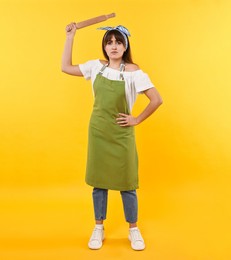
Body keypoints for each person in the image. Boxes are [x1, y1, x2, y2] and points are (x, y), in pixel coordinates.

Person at [61, 22, 163, 251]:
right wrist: (70, 37)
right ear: (104, 47)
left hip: (121, 135)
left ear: (126, 45)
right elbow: (65, 67)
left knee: (127, 184)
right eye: (109, 42)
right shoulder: (96, 67)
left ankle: (133, 230)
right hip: (98, 131)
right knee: (99, 183)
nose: (114, 46)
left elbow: (156, 99)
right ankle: (98, 227)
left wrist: (136, 119)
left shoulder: (134, 72)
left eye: (118, 42)